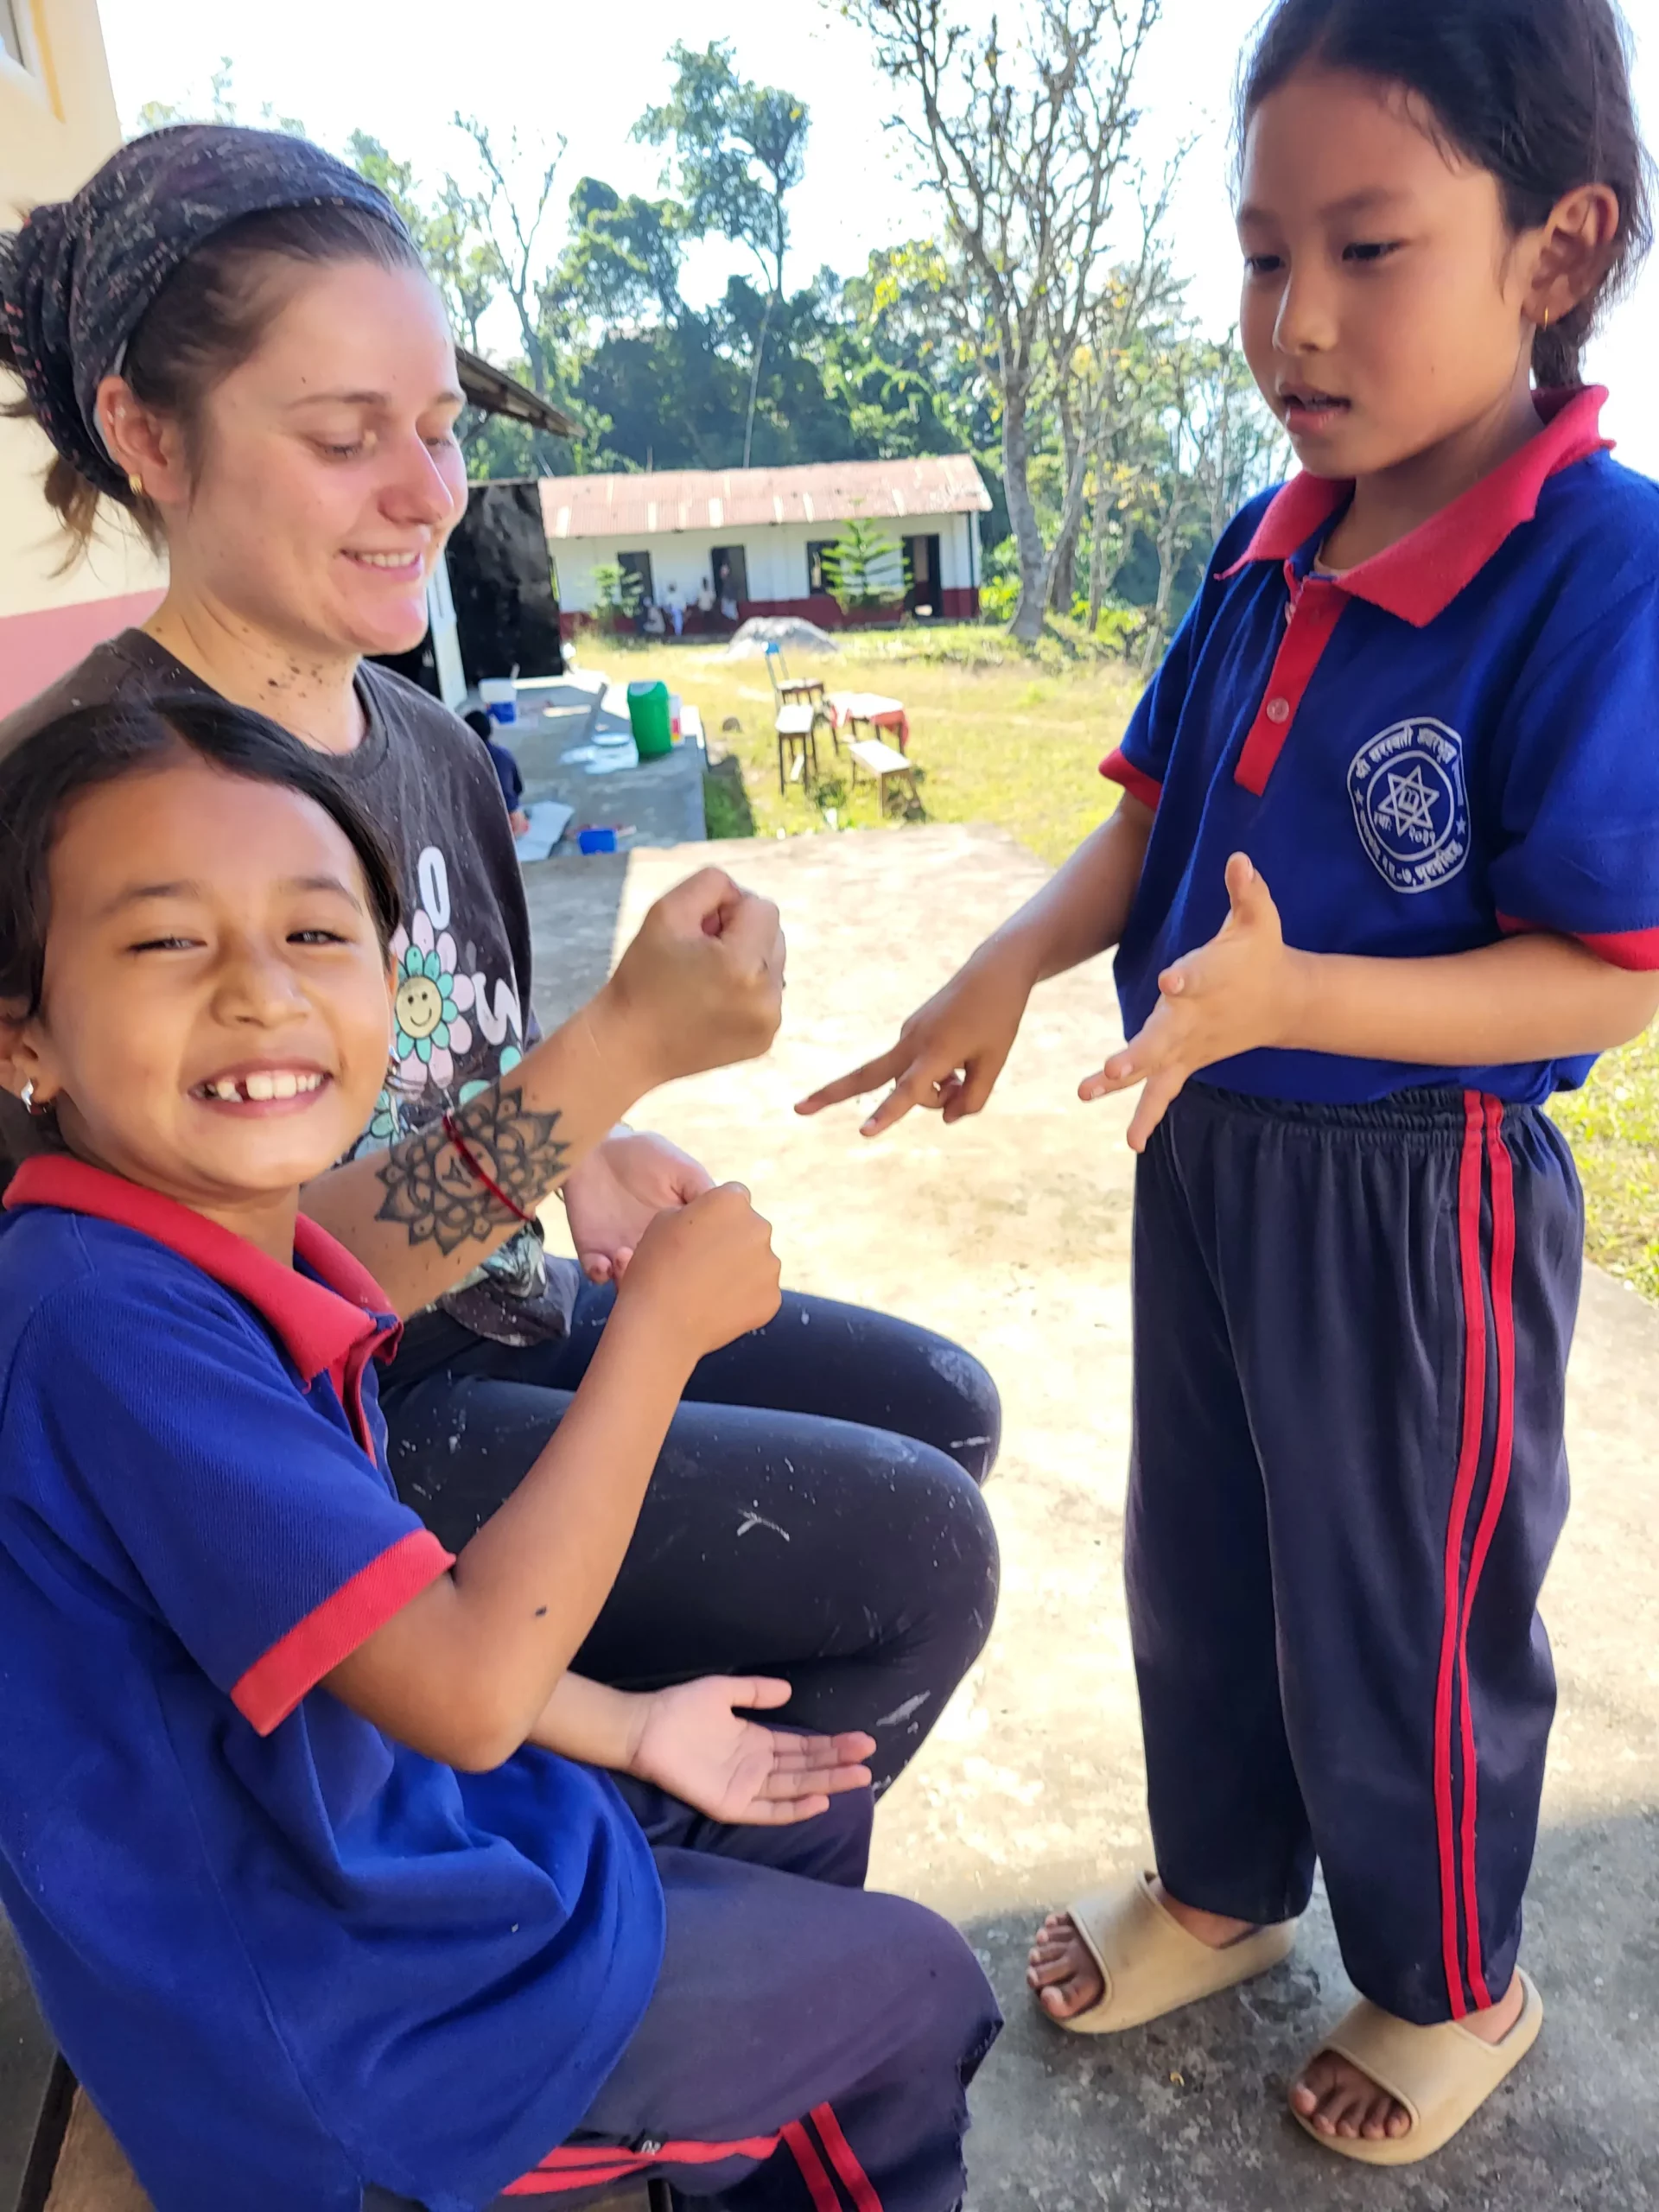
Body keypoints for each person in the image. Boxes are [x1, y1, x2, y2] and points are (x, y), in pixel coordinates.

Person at [801, 0, 1658, 2165]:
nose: (1295, 318)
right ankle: (1219, 1873)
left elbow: (1608, 974)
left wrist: (1311, 1006)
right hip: (1207, 1144)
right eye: (1262, 252)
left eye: (1366, 249)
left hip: (1416, 1191)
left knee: (1400, 1597)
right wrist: (1002, 964)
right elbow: (1148, 809)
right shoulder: (1271, 535)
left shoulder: (1597, 566)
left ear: (1554, 254)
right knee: (1207, 1555)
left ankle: (1450, 1972)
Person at [0, 126, 1001, 1799]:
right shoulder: (88, 809)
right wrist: (617, 1053)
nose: (429, 491)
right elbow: (253, 1301)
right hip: (325, 1428)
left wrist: (589, 1143)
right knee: (916, 1547)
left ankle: (624, 1816)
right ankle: (626, 1947)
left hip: (485, 1300)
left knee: (939, 1403)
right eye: (345, 437)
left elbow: (457, 1069)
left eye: (440, 427)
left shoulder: (420, 741)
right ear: (144, 434)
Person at [0, 695, 1001, 2212]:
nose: (263, 994)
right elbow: (455, 1686)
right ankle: (689, 2113)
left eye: (321, 938)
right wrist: (656, 1331)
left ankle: (702, 2089)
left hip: (390, 1838)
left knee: (803, 1792)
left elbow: (353, 1611)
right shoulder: (107, 1324)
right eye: (164, 945)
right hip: (357, 2025)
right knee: (918, 1988)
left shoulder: (421, 753)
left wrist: (623, 1726)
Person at [464, 704, 531, 836]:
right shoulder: (504, 755)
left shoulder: (462, 760)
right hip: (511, 819)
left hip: (480, 823)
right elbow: (518, 788)